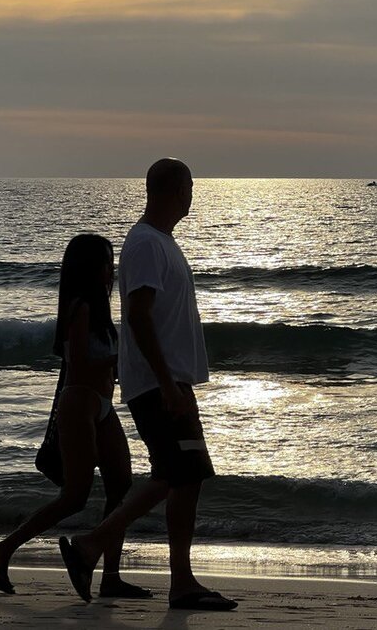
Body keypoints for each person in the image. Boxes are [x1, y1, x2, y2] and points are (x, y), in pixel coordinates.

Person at [57, 159, 236, 611]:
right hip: (159, 385)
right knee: (175, 472)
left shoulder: (162, 243)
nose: (192, 193)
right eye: (189, 185)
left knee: (187, 476)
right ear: (173, 190)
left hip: (172, 381)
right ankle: (90, 547)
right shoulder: (145, 245)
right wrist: (166, 383)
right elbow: (138, 314)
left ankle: (180, 581)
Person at [0, 234, 149, 599]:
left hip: (101, 404)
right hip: (79, 404)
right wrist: (119, 361)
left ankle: (110, 575)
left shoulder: (100, 312)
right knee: (75, 496)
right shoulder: (80, 308)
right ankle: (2, 550)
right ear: (90, 267)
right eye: (105, 261)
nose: (110, 269)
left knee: (121, 487)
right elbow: (79, 363)